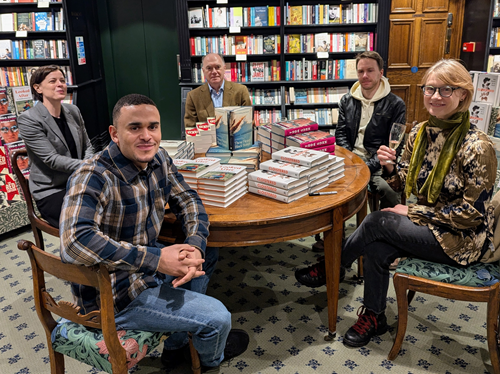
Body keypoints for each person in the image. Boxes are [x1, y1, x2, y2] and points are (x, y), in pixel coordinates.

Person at [303, 59, 497, 348]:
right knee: (376, 245)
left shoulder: (477, 147)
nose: (435, 96)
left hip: (462, 241)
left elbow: (473, 215)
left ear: (463, 95)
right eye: (430, 88)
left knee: (378, 220)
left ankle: (333, 266)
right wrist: (392, 169)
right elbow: (406, 182)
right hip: (428, 227)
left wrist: (414, 211)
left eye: (446, 90)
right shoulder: (419, 133)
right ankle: (374, 315)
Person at [59, 94, 249, 373]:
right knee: (219, 318)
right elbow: (74, 242)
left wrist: (194, 245)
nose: (146, 136)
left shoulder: (159, 158)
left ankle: (176, 347)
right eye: (134, 127)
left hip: (145, 272)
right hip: (115, 294)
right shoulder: (93, 175)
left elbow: (188, 200)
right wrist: (156, 259)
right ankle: (208, 362)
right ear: (114, 133)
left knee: (207, 250)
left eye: (153, 127)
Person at [295, 51, 406, 281]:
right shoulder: (347, 100)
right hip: (349, 161)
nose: (364, 76)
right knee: (319, 183)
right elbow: (341, 135)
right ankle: (330, 237)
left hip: (376, 163)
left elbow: (392, 145)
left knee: (387, 190)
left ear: (381, 73)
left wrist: (367, 166)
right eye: (361, 71)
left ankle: (391, 245)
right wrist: (350, 161)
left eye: (370, 71)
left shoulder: (395, 104)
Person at [17, 65, 93, 227]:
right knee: (87, 220)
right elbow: (52, 159)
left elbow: (88, 146)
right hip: (52, 190)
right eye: (53, 81)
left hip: (79, 181)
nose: (60, 84)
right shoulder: (28, 119)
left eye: (62, 81)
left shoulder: (73, 110)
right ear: (38, 88)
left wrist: (89, 166)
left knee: (115, 206)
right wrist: (90, 166)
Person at [184, 53, 251, 128]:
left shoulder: (241, 91)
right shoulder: (193, 96)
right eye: (209, 68)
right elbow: (190, 127)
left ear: (224, 68)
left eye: (217, 67)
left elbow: (248, 123)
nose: (214, 72)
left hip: (235, 139)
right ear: (203, 71)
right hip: (206, 139)